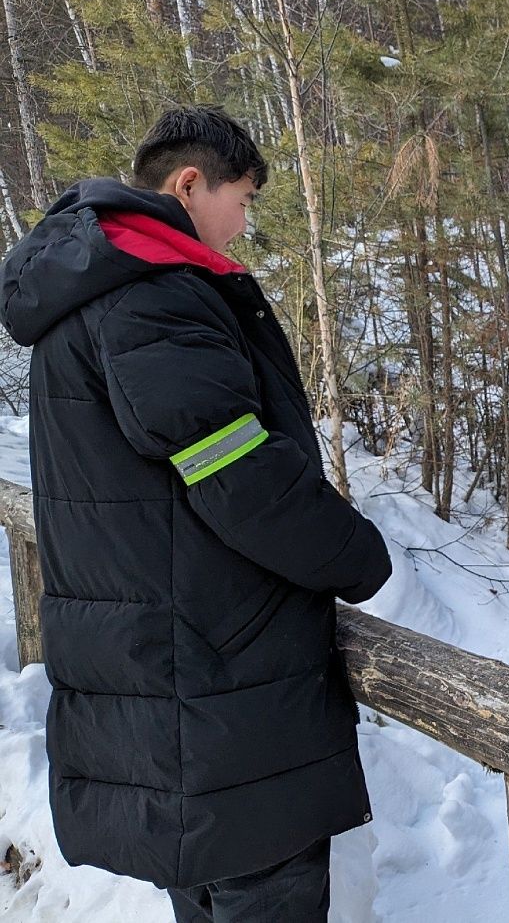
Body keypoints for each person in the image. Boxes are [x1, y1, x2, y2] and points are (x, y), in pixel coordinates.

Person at [0, 105, 392, 921]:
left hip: (169, 693)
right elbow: (240, 476)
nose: (243, 224)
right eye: (241, 200)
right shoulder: (151, 297)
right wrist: (358, 556)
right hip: (220, 701)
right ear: (188, 184)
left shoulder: (94, 289)